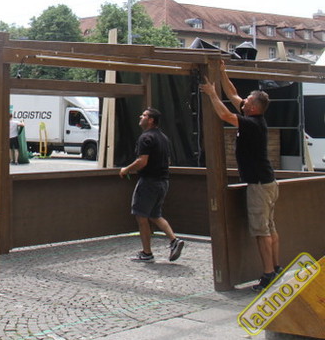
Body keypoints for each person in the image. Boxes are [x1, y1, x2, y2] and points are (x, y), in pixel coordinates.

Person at [200, 61, 278, 292]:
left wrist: (212, 93)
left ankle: (268, 275)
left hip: (259, 185)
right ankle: (276, 268)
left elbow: (224, 114)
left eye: (248, 101)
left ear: (253, 107)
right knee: (270, 228)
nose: (243, 102)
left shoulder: (253, 124)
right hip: (267, 182)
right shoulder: (252, 116)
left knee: (261, 232)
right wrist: (223, 73)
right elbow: (233, 94)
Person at [119, 107, 184, 263]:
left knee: (141, 216)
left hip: (149, 181)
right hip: (163, 181)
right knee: (155, 214)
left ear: (151, 120)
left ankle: (147, 253)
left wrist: (126, 169)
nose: (140, 116)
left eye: (144, 115)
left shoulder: (146, 137)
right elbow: (167, 161)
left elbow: (142, 161)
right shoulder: (163, 137)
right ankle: (174, 240)